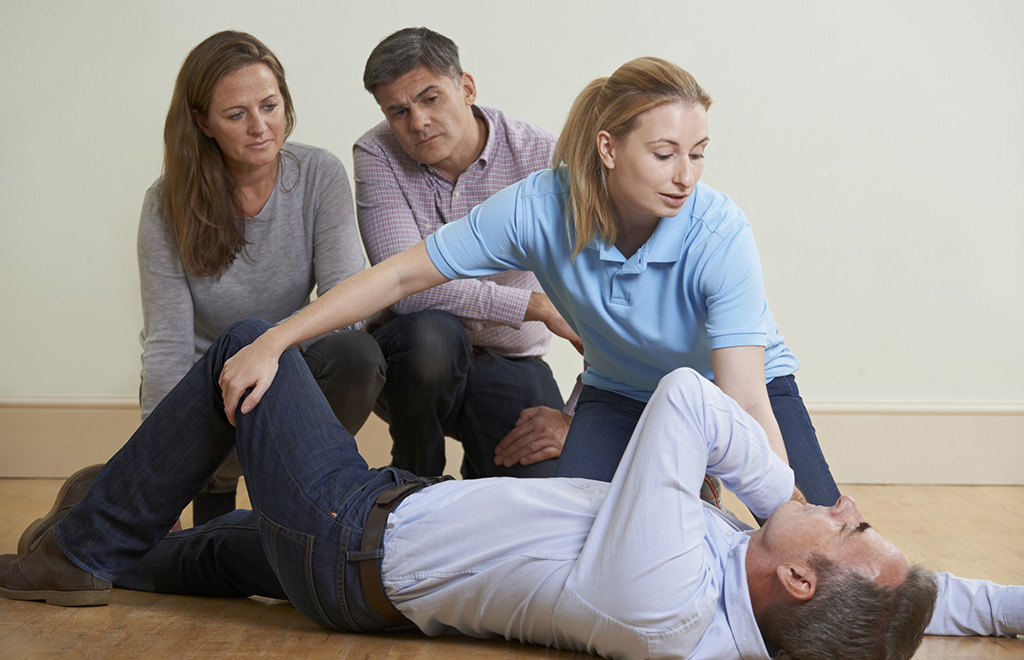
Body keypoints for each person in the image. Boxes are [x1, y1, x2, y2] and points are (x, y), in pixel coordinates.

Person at [0, 319, 940, 660]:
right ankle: (110, 545)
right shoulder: (745, 593)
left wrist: (778, 494)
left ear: (806, 582)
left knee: (250, 348)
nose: (845, 507)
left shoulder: (666, 602)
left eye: (850, 530)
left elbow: (690, 399)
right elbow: (921, 599)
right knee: (212, 552)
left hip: (351, 535)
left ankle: (78, 545)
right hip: (387, 553)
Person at [215, 56, 835, 505]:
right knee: (574, 539)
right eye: (665, 152)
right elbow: (400, 276)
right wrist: (272, 342)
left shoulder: (718, 230)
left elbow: (744, 395)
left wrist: (790, 516)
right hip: (619, 394)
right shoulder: (540, 207)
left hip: (732, 387)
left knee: (812, 530)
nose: (686, 174)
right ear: (609, 149)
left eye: (697, 152)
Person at [138, 31, 385, 523]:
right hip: (209, 391)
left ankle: (290, 497)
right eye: (236, 115)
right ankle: (217, 482)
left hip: (291, 368)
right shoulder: (164, 204)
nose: (260, 127)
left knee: (357, 356)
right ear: (202, 122)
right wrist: (155, 454)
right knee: (203, 548)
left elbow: (346, 303)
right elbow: (168, 342)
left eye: (270, 106)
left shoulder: (319, 174)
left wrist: (271, 353)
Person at [353, 27, 578, 479]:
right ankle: (415, 480)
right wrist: (531, 305)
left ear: (467, 88)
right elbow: (408, 291)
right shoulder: (376, 152)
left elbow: (606, 299)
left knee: (546, 481)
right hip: (413, 358)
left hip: (510, 357)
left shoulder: (544, 158)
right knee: (433, 335)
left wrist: (575, 417)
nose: (417, 123)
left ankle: (476, 489)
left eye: (430, 98)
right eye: (398, 111)